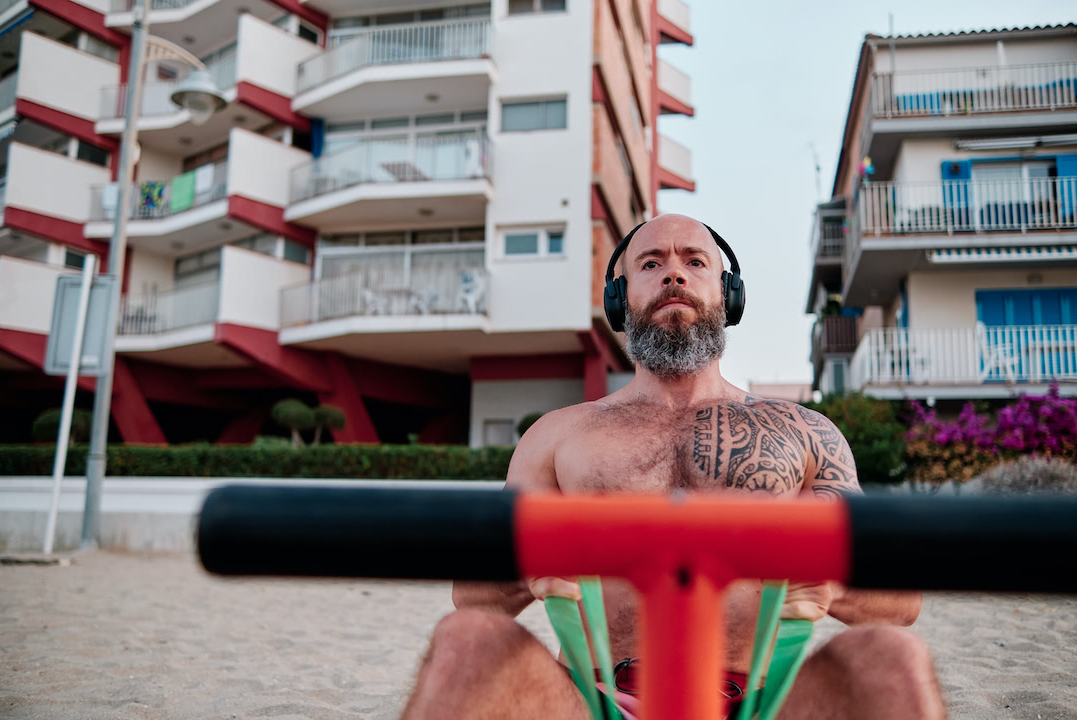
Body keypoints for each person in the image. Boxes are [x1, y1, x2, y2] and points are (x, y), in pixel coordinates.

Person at [401, 214, 946, 720]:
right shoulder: (557, 435)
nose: (674, 275)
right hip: (591, 701)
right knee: (468, 640)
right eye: (651, 263)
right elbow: (470, 596)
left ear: (727, 294)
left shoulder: (805, 431)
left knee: (889, 655)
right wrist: (527, 565)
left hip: (759, 700)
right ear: (621, 299)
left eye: (695, 261)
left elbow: (899, 604)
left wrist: (831, 582)